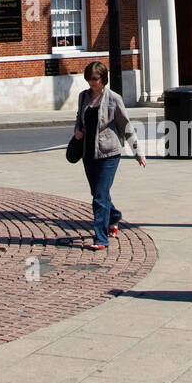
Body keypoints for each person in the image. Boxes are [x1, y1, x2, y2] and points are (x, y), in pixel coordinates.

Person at [69, 61, 146, 251]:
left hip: (109, 154)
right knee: (98, 194)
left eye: (94, 79)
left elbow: (127, 127)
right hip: (88, 153)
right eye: (88, 79)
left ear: (103, 79)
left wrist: (138, 153)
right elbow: (80, 118)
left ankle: (101, 238)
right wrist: (78, 130)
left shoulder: (114, 99)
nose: (91, 83)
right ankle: (114, 217)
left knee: (100, 197)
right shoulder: (83, 97)